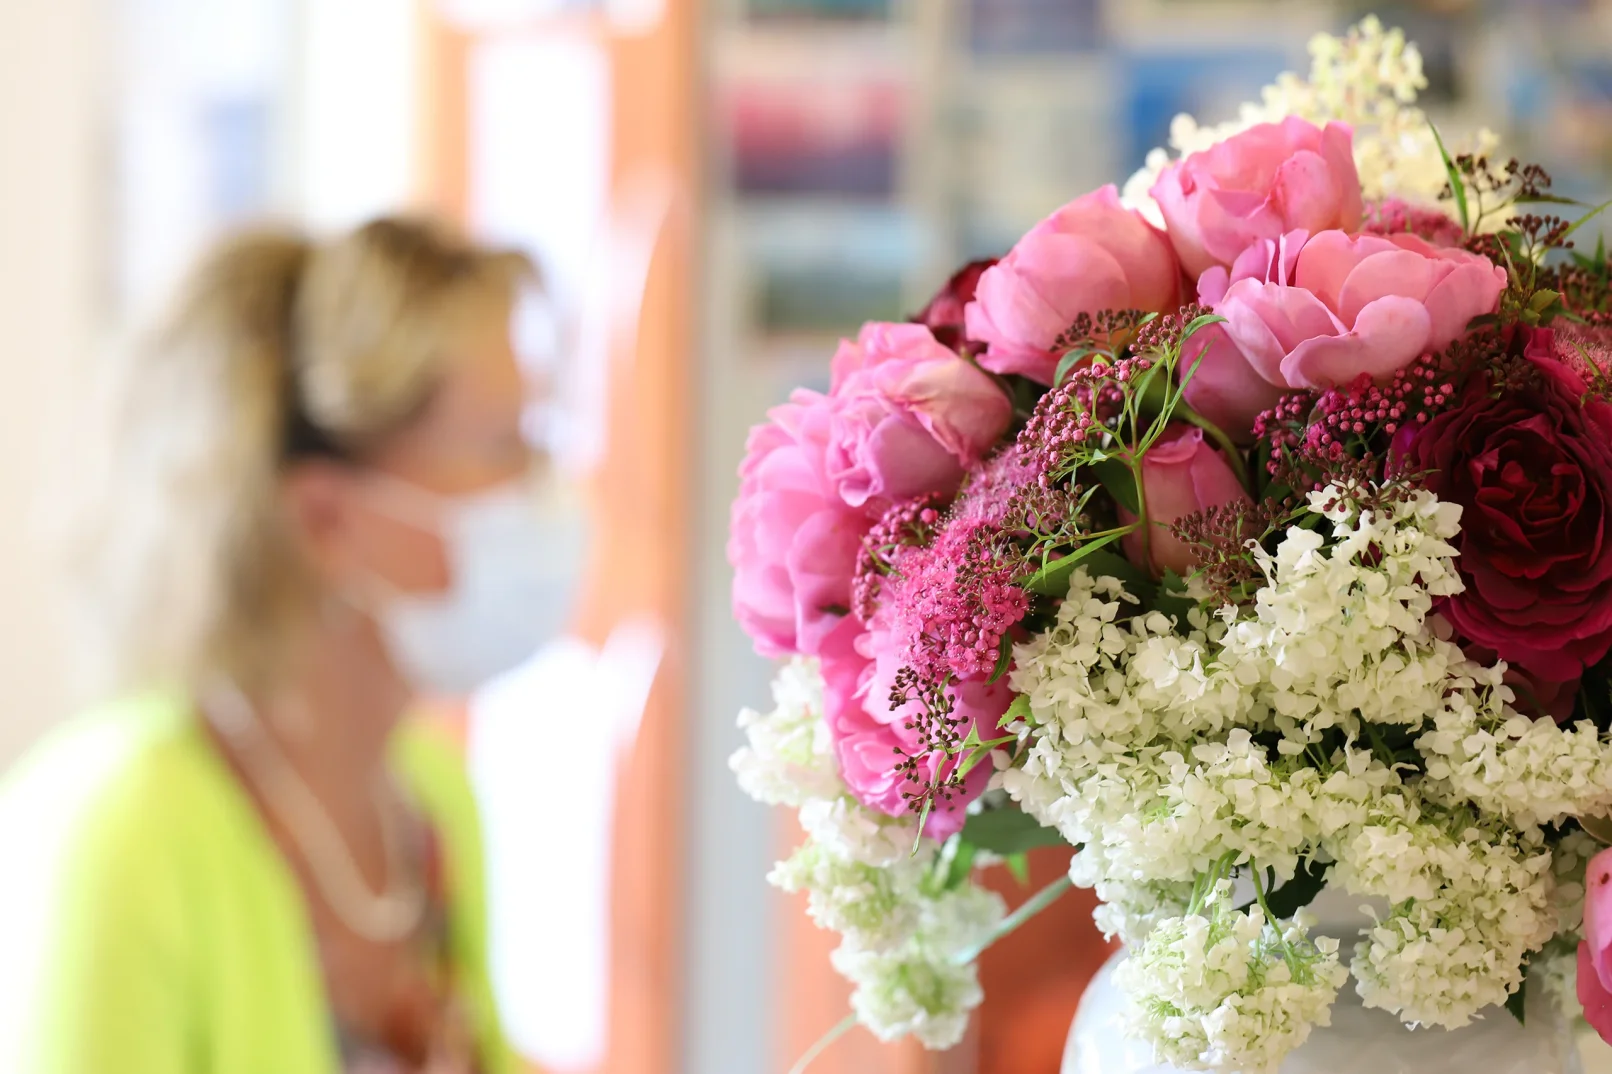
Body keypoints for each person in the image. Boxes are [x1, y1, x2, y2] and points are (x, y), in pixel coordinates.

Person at [0, 217, 549, 1073]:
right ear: (326, 520)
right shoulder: (114, 838)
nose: (545, 490)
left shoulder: (431, 805)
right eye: (504, 447)